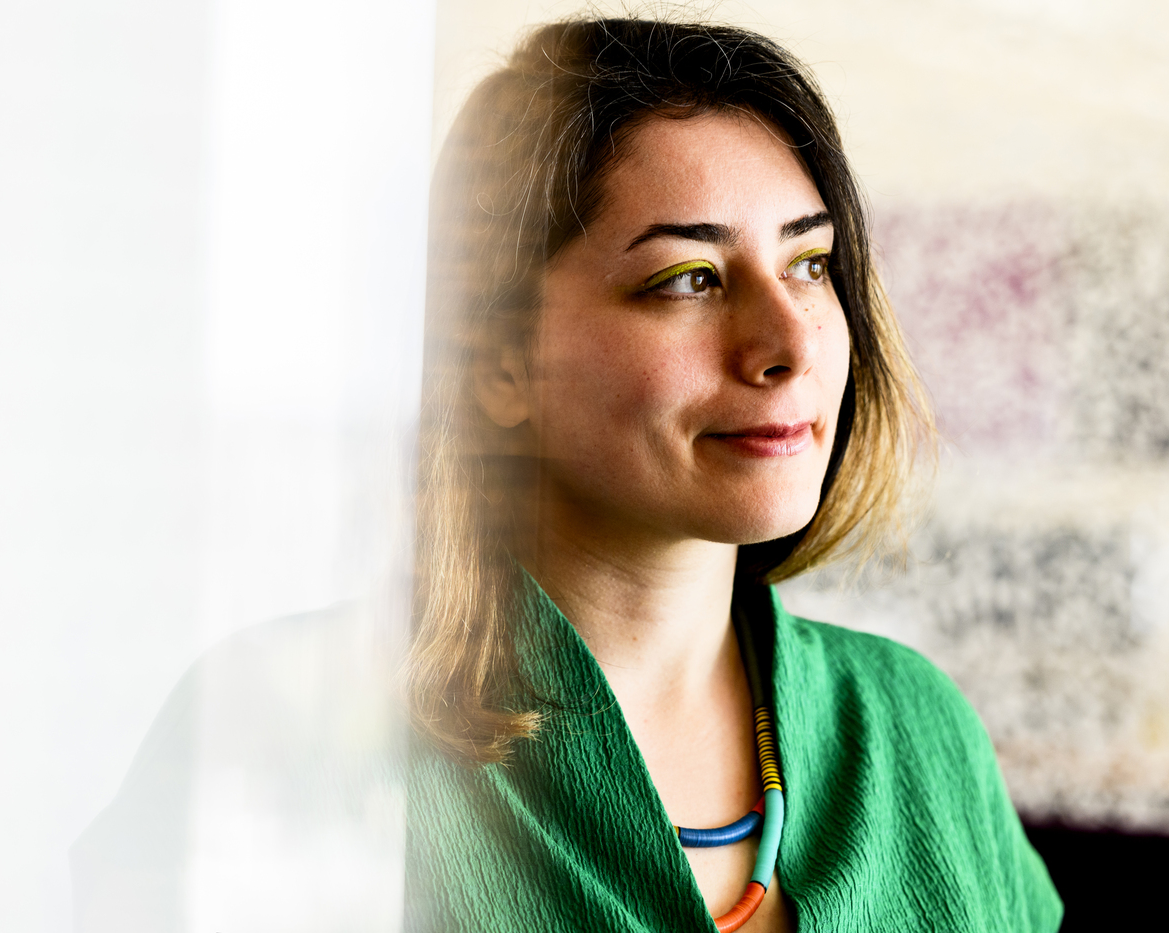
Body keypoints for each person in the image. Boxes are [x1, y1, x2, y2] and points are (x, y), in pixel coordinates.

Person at [401, 18, 1062, 932]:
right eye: (689, 278)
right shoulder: (315, 736)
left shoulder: (917, 728)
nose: (789, 342)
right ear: (499, 360)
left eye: (810, 263)